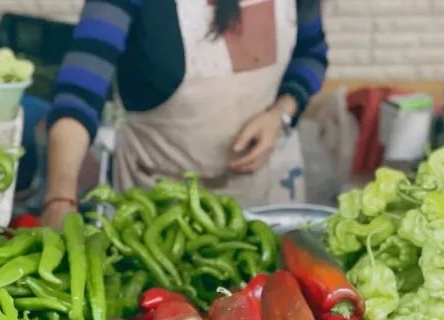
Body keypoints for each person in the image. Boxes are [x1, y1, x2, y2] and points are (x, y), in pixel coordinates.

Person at [41, 0, 328, 228]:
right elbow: (79, 92)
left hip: (261, 198)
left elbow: (311, 54)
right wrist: (60, 197)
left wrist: (280, 113)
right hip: (153, 207)